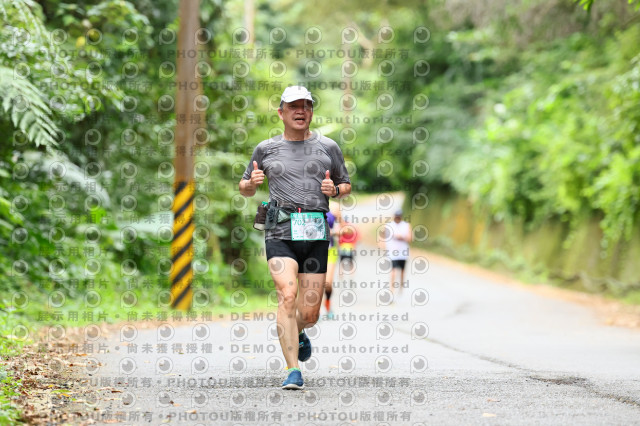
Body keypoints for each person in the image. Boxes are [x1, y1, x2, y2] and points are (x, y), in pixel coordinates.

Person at [238, 85, 351, 390]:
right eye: (293, 106)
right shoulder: (266, 148)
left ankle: (299, 331)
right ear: (281, 113)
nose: (300, 111)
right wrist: (252, 184)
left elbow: (345, 184)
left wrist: (334, 190)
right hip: (280, 230)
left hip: (315, 233)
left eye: (306, 105)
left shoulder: (328, 147)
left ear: (311, 111)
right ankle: (292, 370)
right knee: (287, 296)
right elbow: (244, 186)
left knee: (310, 313)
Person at [386, 209, 411, 296]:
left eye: (399, 216)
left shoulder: (406, 225)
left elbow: (410, 238)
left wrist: (401, 237)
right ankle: (392, 289)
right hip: (393, 252)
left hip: (403, 253)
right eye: (396, 216)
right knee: (393, 271)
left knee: (402, 271)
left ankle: (401, 287)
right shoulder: (389, 225)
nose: (397, 218)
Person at [323, 203, 340, 319]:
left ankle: (328, 305)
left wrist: (331, 231)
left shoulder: (334, 206)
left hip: (330, 250)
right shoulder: (309, 201)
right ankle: (317, 310)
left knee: (328, 283)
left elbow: (342, 228)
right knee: (316, 282)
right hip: (313, 249)